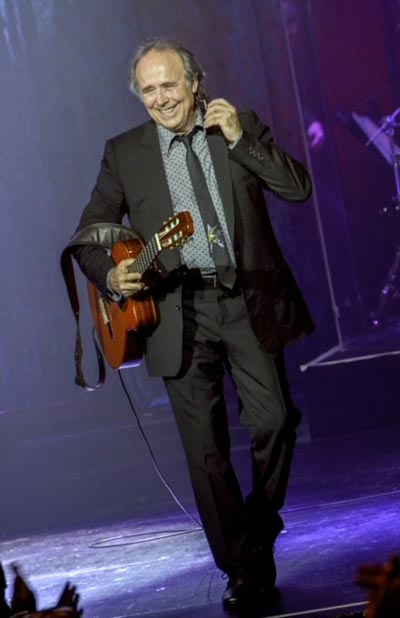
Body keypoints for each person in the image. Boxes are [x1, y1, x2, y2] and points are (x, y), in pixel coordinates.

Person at [71, 37, 313, 610]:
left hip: (245, 301)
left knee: (275, 420)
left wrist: (241, 141)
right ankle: (241, 568)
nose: (161, 99)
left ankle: (258, 531)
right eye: (149, 90)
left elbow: (297, 188)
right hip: (177, 313)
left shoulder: (238, 126)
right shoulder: (125, 152)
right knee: (205, 452)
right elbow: (88, 235)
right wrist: (112, 276)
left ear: (195, 82)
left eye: (170, 85)